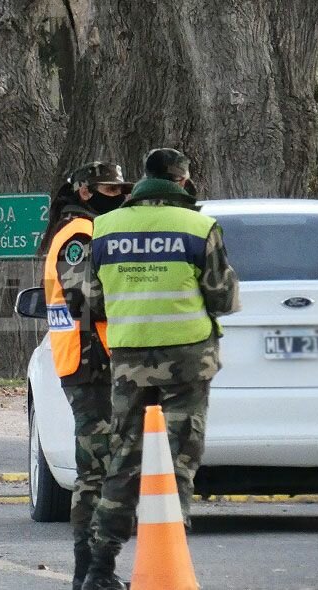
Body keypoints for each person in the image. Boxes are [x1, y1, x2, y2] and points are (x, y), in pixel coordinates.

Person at [81, 149, 240, 590]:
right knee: (179, 462)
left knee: (124, 460)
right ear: (184, 182)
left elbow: (93, 299)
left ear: (142, 181)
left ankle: (100, 568)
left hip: (130, 359)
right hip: (189, 360)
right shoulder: (198, 226)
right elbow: (222, 299)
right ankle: (169, 559)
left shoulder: (105, 227)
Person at [39, 161, 133, 590]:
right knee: (95, 470)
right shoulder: (78, 234)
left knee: (99, 466)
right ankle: (91, 573)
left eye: (119, 190)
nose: (117, 196)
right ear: (83, 191)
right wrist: (135, 297)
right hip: (89, 361)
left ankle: (93, 573)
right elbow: (83, 295)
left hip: (87, 359)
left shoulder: (83, 229)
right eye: (108, 190)